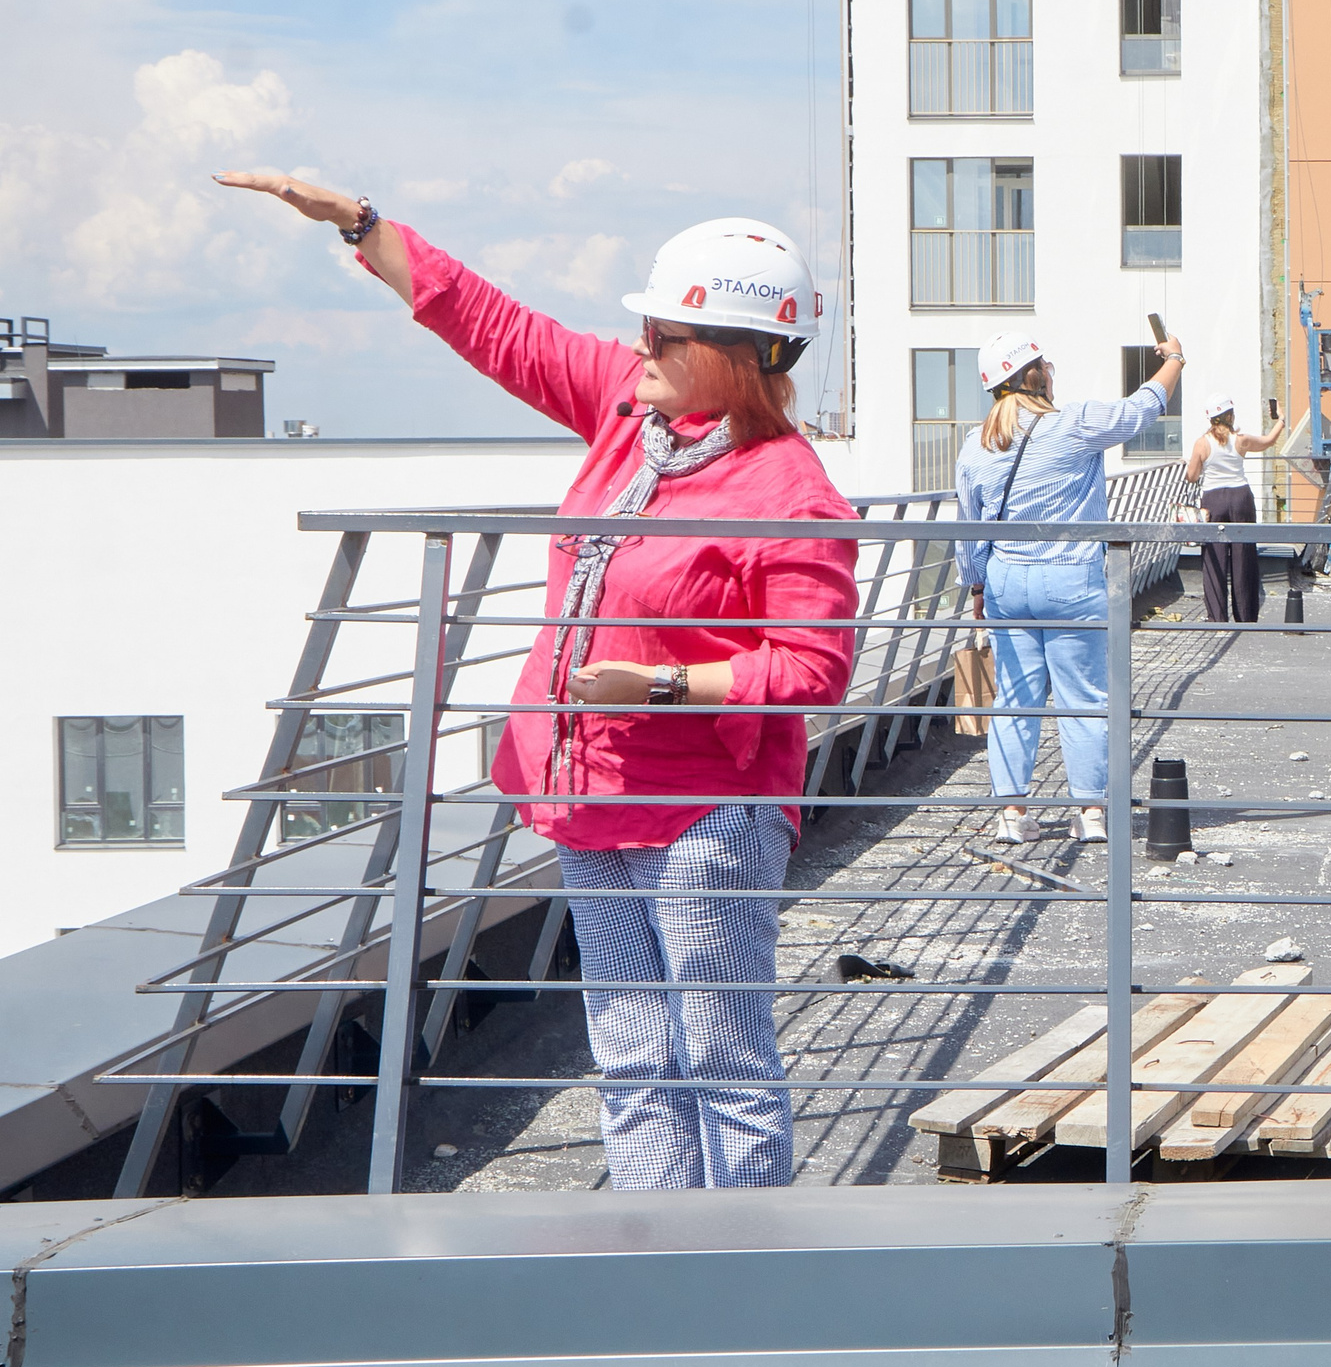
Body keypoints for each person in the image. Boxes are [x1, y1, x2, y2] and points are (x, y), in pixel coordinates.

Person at [214, 172, 860, 1192]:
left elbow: (813, 667)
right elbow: (494, 326)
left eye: (663, 334)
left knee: (721, 1059)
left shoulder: (792, 492)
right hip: (588, 804)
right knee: (633, 1057)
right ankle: (651, 1261)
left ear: (737, 359)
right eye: (645, 328)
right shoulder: (625, 411)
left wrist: (658, 687)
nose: (641, 344)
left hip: (703, 817)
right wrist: (362, 225)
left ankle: (740, 1267)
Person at [956, 331, 1185, 845]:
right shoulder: (1072, 425)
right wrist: (1173, 360)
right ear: (1038, 375)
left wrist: (975, 588)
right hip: (1071, 577)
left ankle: (1012, 815)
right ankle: (1090, 812)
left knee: (1014, 699)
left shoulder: (976, 446)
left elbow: (970, 528)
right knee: (1082, 698)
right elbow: (1140, 409)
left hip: (1005, 583)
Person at [1183, 395, 1279, 623]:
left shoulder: (1202, 443)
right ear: (1230, 416)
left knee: (1214, 557)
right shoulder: (1241, 440)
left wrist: (1189, 462)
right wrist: (1281, 421)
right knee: (1243, 555)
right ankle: (1245, 616)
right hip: (1241, 497)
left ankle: (1217, 617)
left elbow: (1192, 476)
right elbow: (1268, 442)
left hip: (1213, 499)